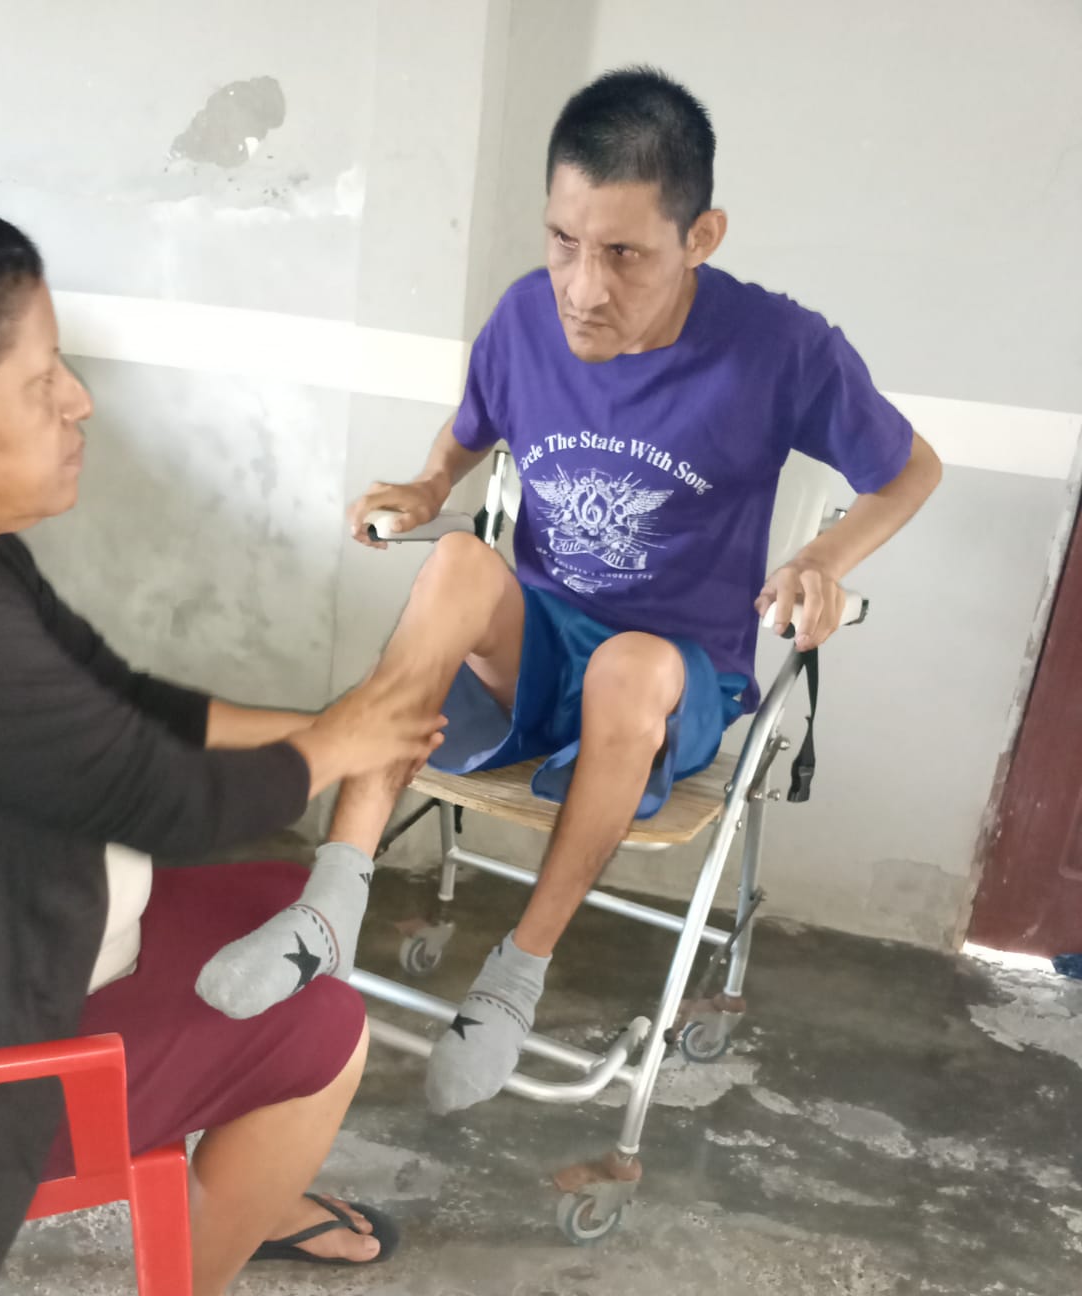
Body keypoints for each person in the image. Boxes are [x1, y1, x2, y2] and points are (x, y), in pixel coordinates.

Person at [197, 67, 943, 1114]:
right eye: (563, 240)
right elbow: (467, 433)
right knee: (459, 563)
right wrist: (428, 487)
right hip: (539, 650)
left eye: (625, 253)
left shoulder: (780, 349)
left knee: (629, 665)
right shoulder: (523, 318)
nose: (584, 287)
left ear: (702, 236)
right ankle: (330, 904)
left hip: (670, 683)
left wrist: (823, 559)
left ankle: (516, 974)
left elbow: (911, 469)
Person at [0, 200, 445, 1296]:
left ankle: (249, 1184)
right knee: (320, 1021)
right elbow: (167, 798)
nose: (80, 402)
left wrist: (336, 723)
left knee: (288, 910)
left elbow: (122, 701)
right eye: (42, 381)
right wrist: (341, 743)